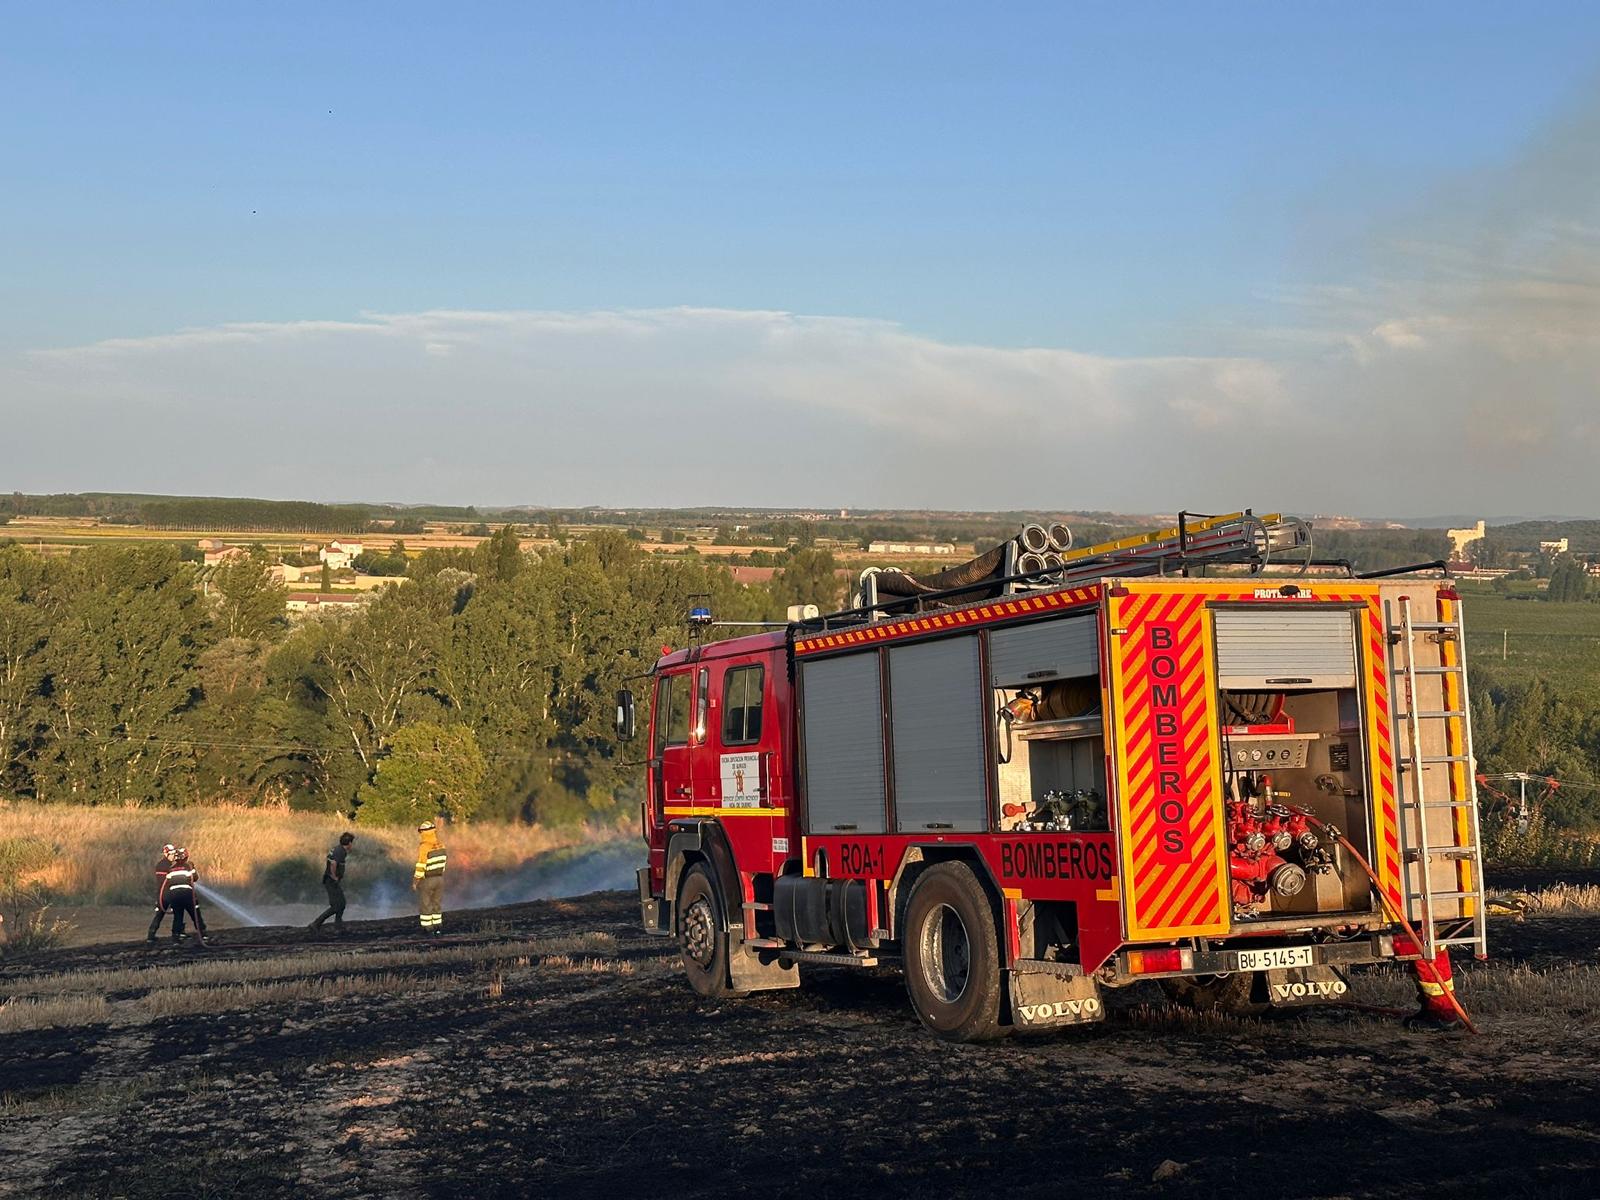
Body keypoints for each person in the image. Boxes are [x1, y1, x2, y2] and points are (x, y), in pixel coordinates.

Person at [310, 832, 355, 933]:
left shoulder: (338, 849)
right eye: (352, 842)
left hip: (330, 880)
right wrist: (334, 876)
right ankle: (316, 923)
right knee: (337, 905)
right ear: (349, 843)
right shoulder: (340, 851)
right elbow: (333, 863)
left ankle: (338, 925)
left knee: (341, 903)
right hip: (331, 881)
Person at [162, 848, 207, 946]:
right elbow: (195, 878)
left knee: (178, 916)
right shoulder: (188, 867)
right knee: (195, 914)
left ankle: (175, 938)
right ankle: (203, 935)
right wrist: (193, 868)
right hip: (187, 894)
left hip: (174, 896)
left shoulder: (170, 869)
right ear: (186, 856)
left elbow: (168, 882)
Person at [412, 821, 447, 934]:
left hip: (427, 880)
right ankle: (438, 928)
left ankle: (428, 929)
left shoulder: (424, 846)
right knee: (436, 904)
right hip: (440, 879)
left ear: (424, 832)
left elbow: (421, 864)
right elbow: (443, 863)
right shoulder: (441, 845)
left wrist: (416, 881)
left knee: (426, 904)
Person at [146, 844, 177, 943]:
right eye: (171, 854)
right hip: (167, 894)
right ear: (166, 854)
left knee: (159, 914)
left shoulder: (162, 865)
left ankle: (151, 935)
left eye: (174, 854)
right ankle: (176, 935)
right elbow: (167, 881)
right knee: (177, 913)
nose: (173, 856)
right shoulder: (165, 866)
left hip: (162, 894)